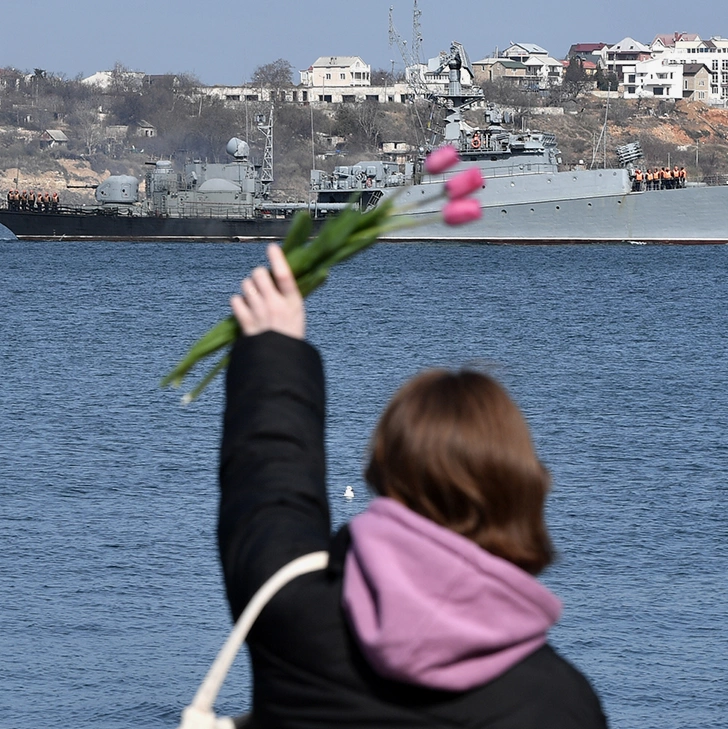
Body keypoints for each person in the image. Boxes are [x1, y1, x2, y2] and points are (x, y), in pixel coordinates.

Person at [218, 244, 608, 728]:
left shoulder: (292, 613)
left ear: (382, 473)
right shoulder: (559, 706)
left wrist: (274, 347)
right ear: (523, 491)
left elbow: (269, 482)